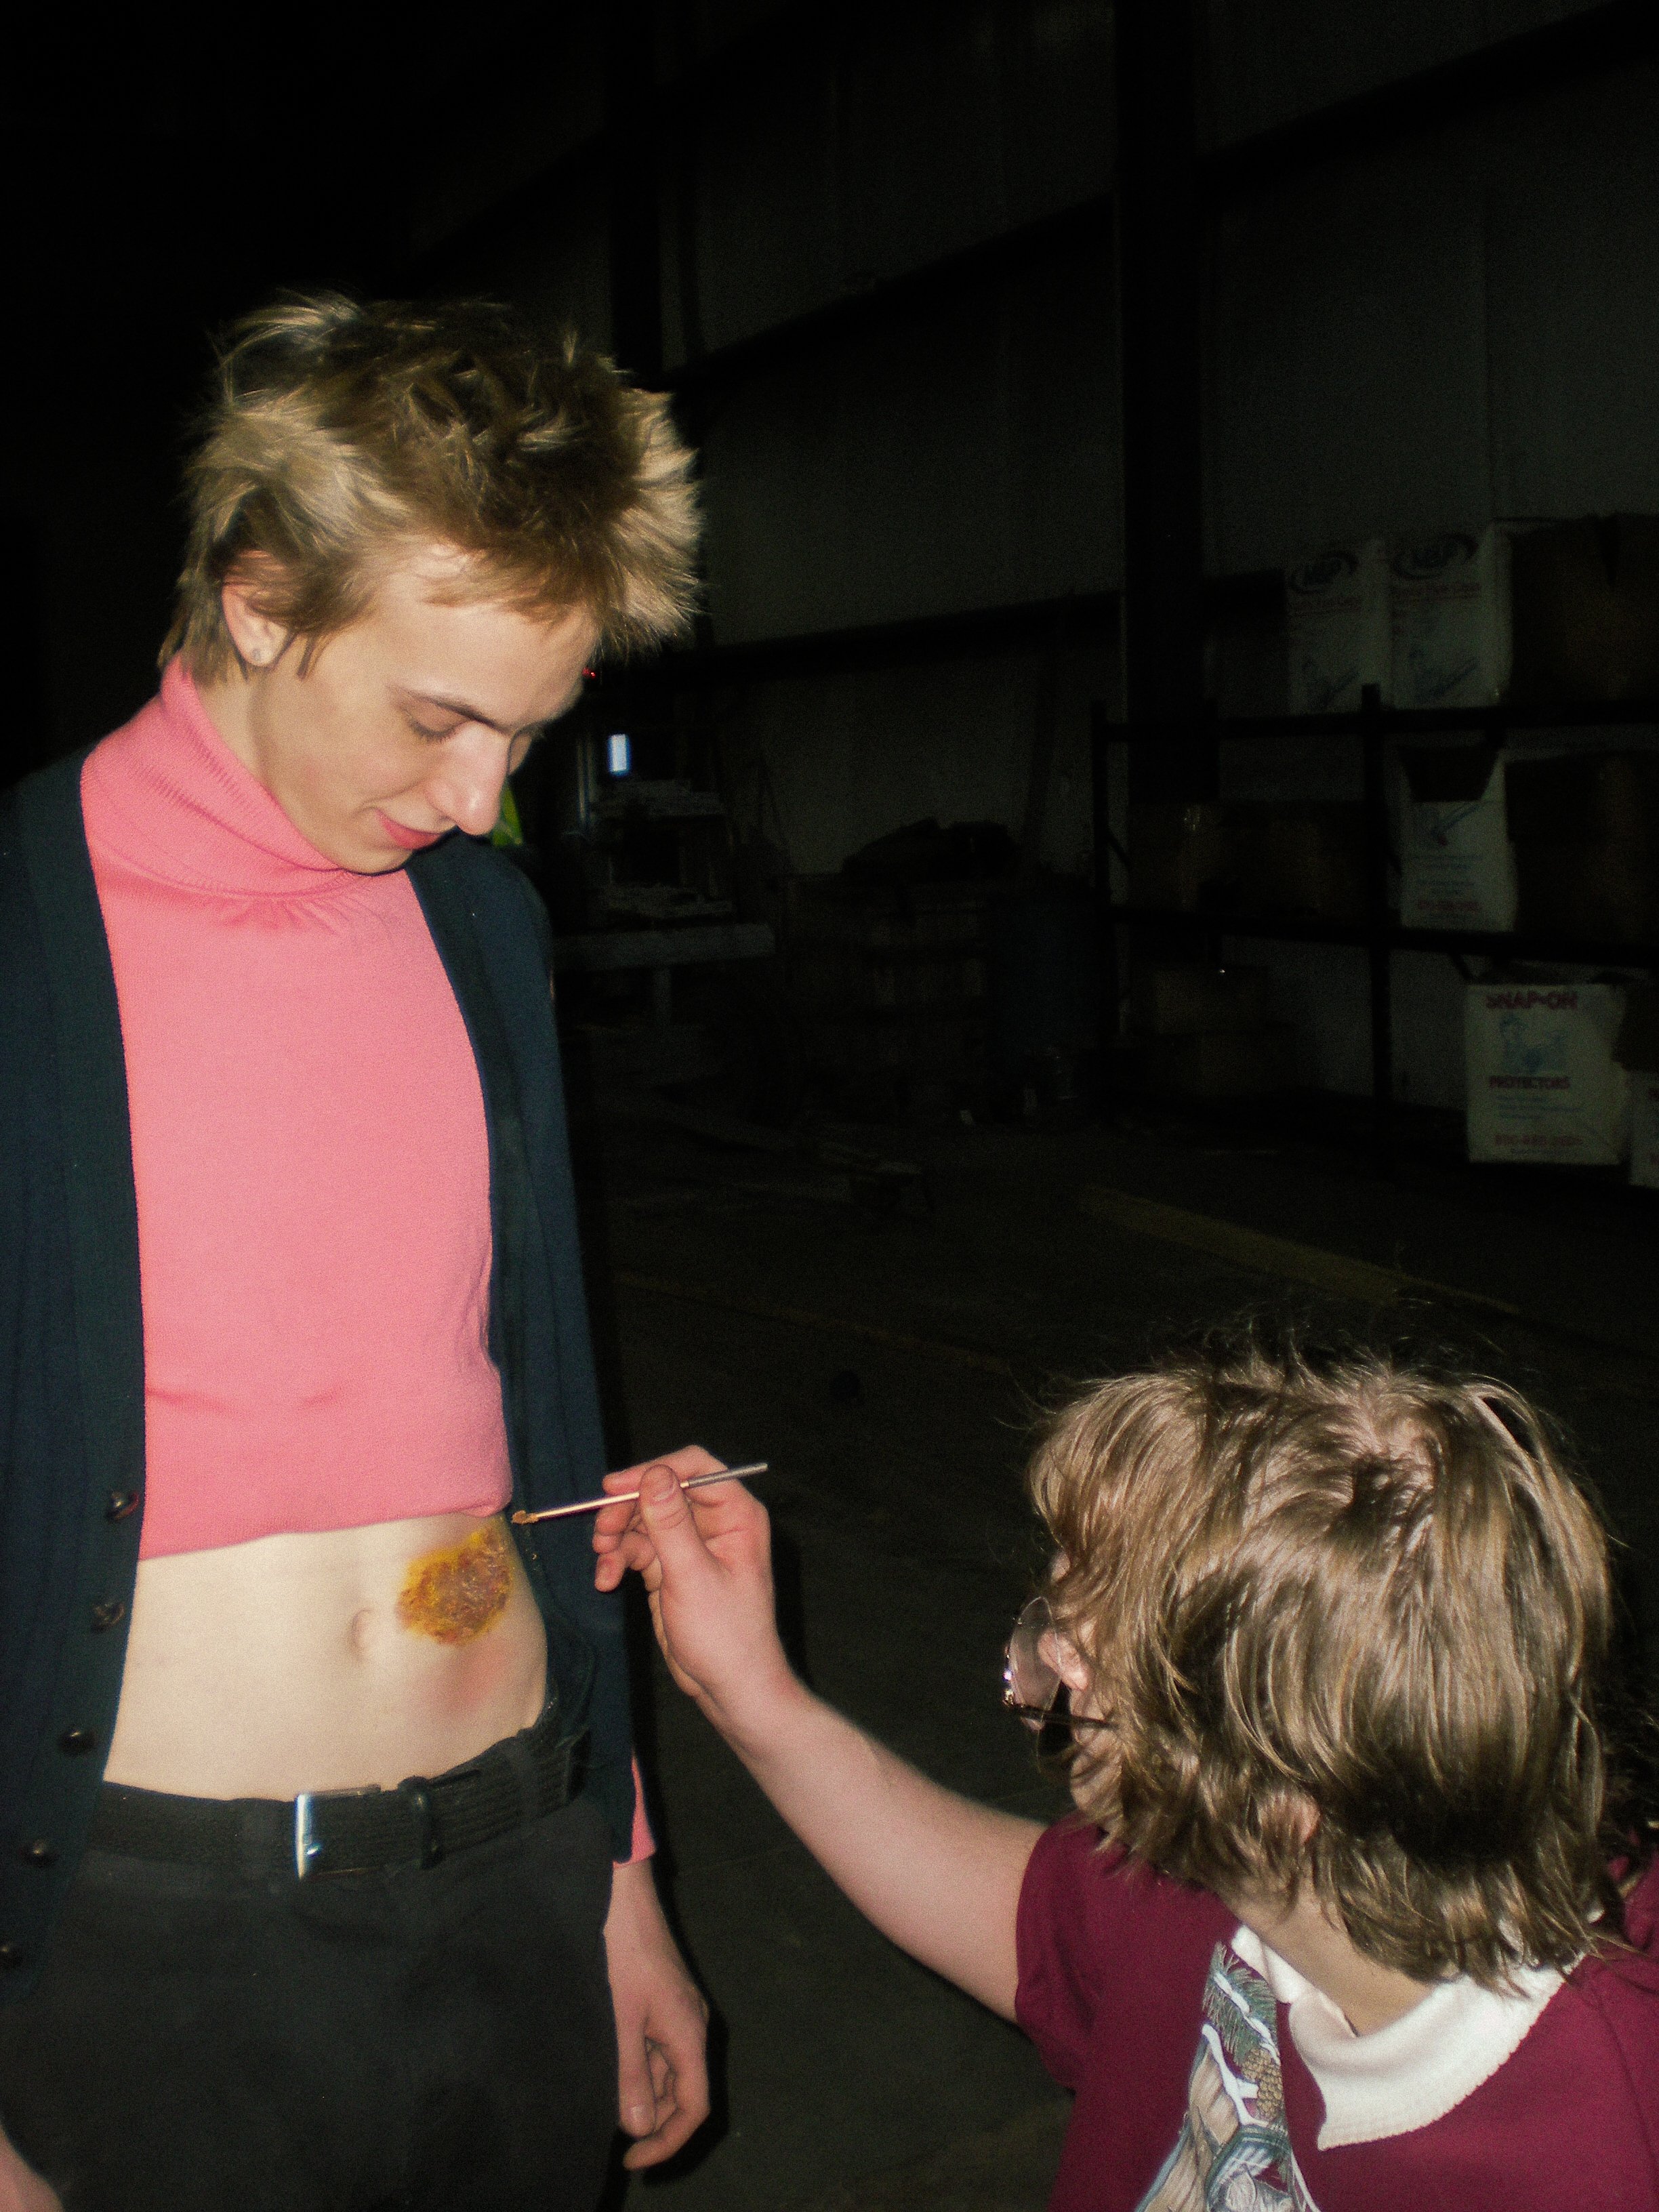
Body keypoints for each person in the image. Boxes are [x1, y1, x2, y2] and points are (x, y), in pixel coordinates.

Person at [0, 293, 719, 2212]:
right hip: (150, 1952)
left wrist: (618, 1876)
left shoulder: (479, 930)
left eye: (528, 734)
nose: (481, 801)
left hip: (514, 1890)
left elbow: (549, 1410)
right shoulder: (22, 936)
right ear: (259, 603)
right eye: (437, 716)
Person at [592, 1335, 1659, 2210]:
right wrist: (750, 1691)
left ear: (1288, 1797)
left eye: (1083, 1672)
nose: (1045, 1680)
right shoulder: (1263, 1887)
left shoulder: (1584, 2165)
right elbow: (1028, 1923)